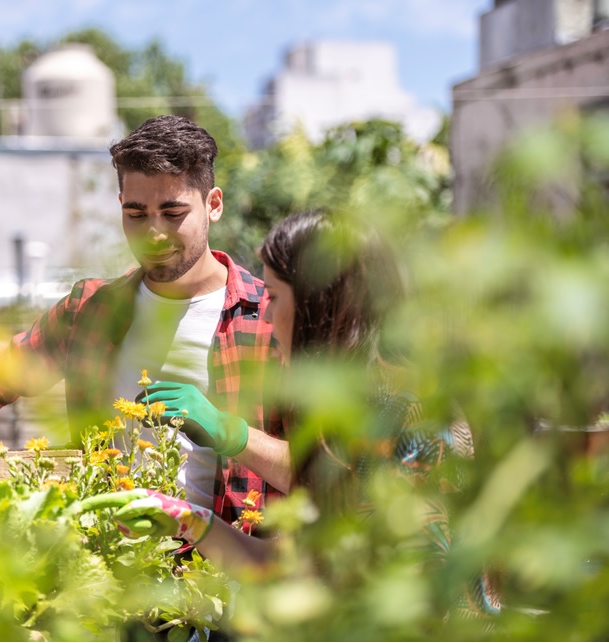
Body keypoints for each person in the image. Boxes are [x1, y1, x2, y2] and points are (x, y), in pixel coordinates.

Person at [0, 114, 285, 524]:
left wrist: (232, 434)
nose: (153, 233)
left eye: (172, 213)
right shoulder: (91, 310)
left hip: (225, 576)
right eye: (136, 214)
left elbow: (327, 476)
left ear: (213, 205)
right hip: (113, 566)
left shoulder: (270, 318)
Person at [84, 210, 485, 587]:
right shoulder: (348, 410)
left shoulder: (409, 418)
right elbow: (284, 565)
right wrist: (185, 519)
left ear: (318, 303)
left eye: (274, 296)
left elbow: (411, 598)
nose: (268, 317)